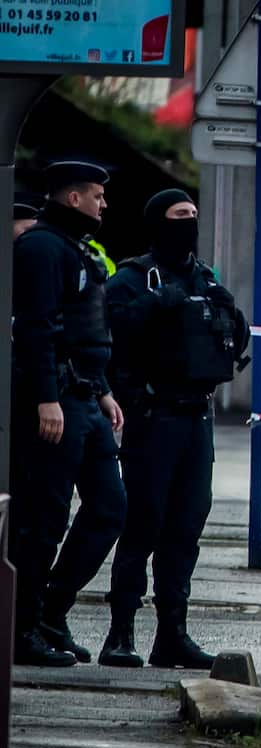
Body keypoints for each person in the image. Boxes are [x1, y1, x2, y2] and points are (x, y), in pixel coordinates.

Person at [99, 188, 250, 668]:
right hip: (153, 416)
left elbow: (232, 340)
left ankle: (172, 635)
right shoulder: (134, 278)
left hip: (197, 419)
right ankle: (120, 634)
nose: (190, 222)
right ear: (158, 221)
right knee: (143, 524)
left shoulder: (204, 276)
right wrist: (155, 305)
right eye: (180, 214)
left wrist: (231, 313)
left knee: (186, 528)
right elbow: (110, 333)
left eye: (194, 214)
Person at [9, 160, 127, 666]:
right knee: (44, 517)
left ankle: (51, 614)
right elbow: (36, 328)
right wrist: (45, 397)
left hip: (85, 396)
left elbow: (84, 330)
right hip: (55, 399)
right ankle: (21, 629)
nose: (104, 204)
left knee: (109, 507)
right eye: (97, 195)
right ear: (73, 198)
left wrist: (102, 390)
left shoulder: (75, 247)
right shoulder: (41, 247)